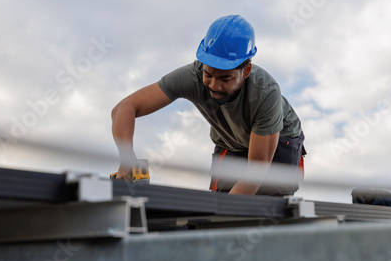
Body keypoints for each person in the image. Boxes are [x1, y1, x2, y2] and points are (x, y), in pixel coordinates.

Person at [112, 15, 305, 196]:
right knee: (222, 202)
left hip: (279, 140)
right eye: (208, 75)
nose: (214, 85)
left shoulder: (265, 93)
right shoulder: (191, 77)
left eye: (225, 78)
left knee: (263, 207)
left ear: (246, 71)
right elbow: (125, 108)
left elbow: (257, 168)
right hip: (232, 141)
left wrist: (222, 212)